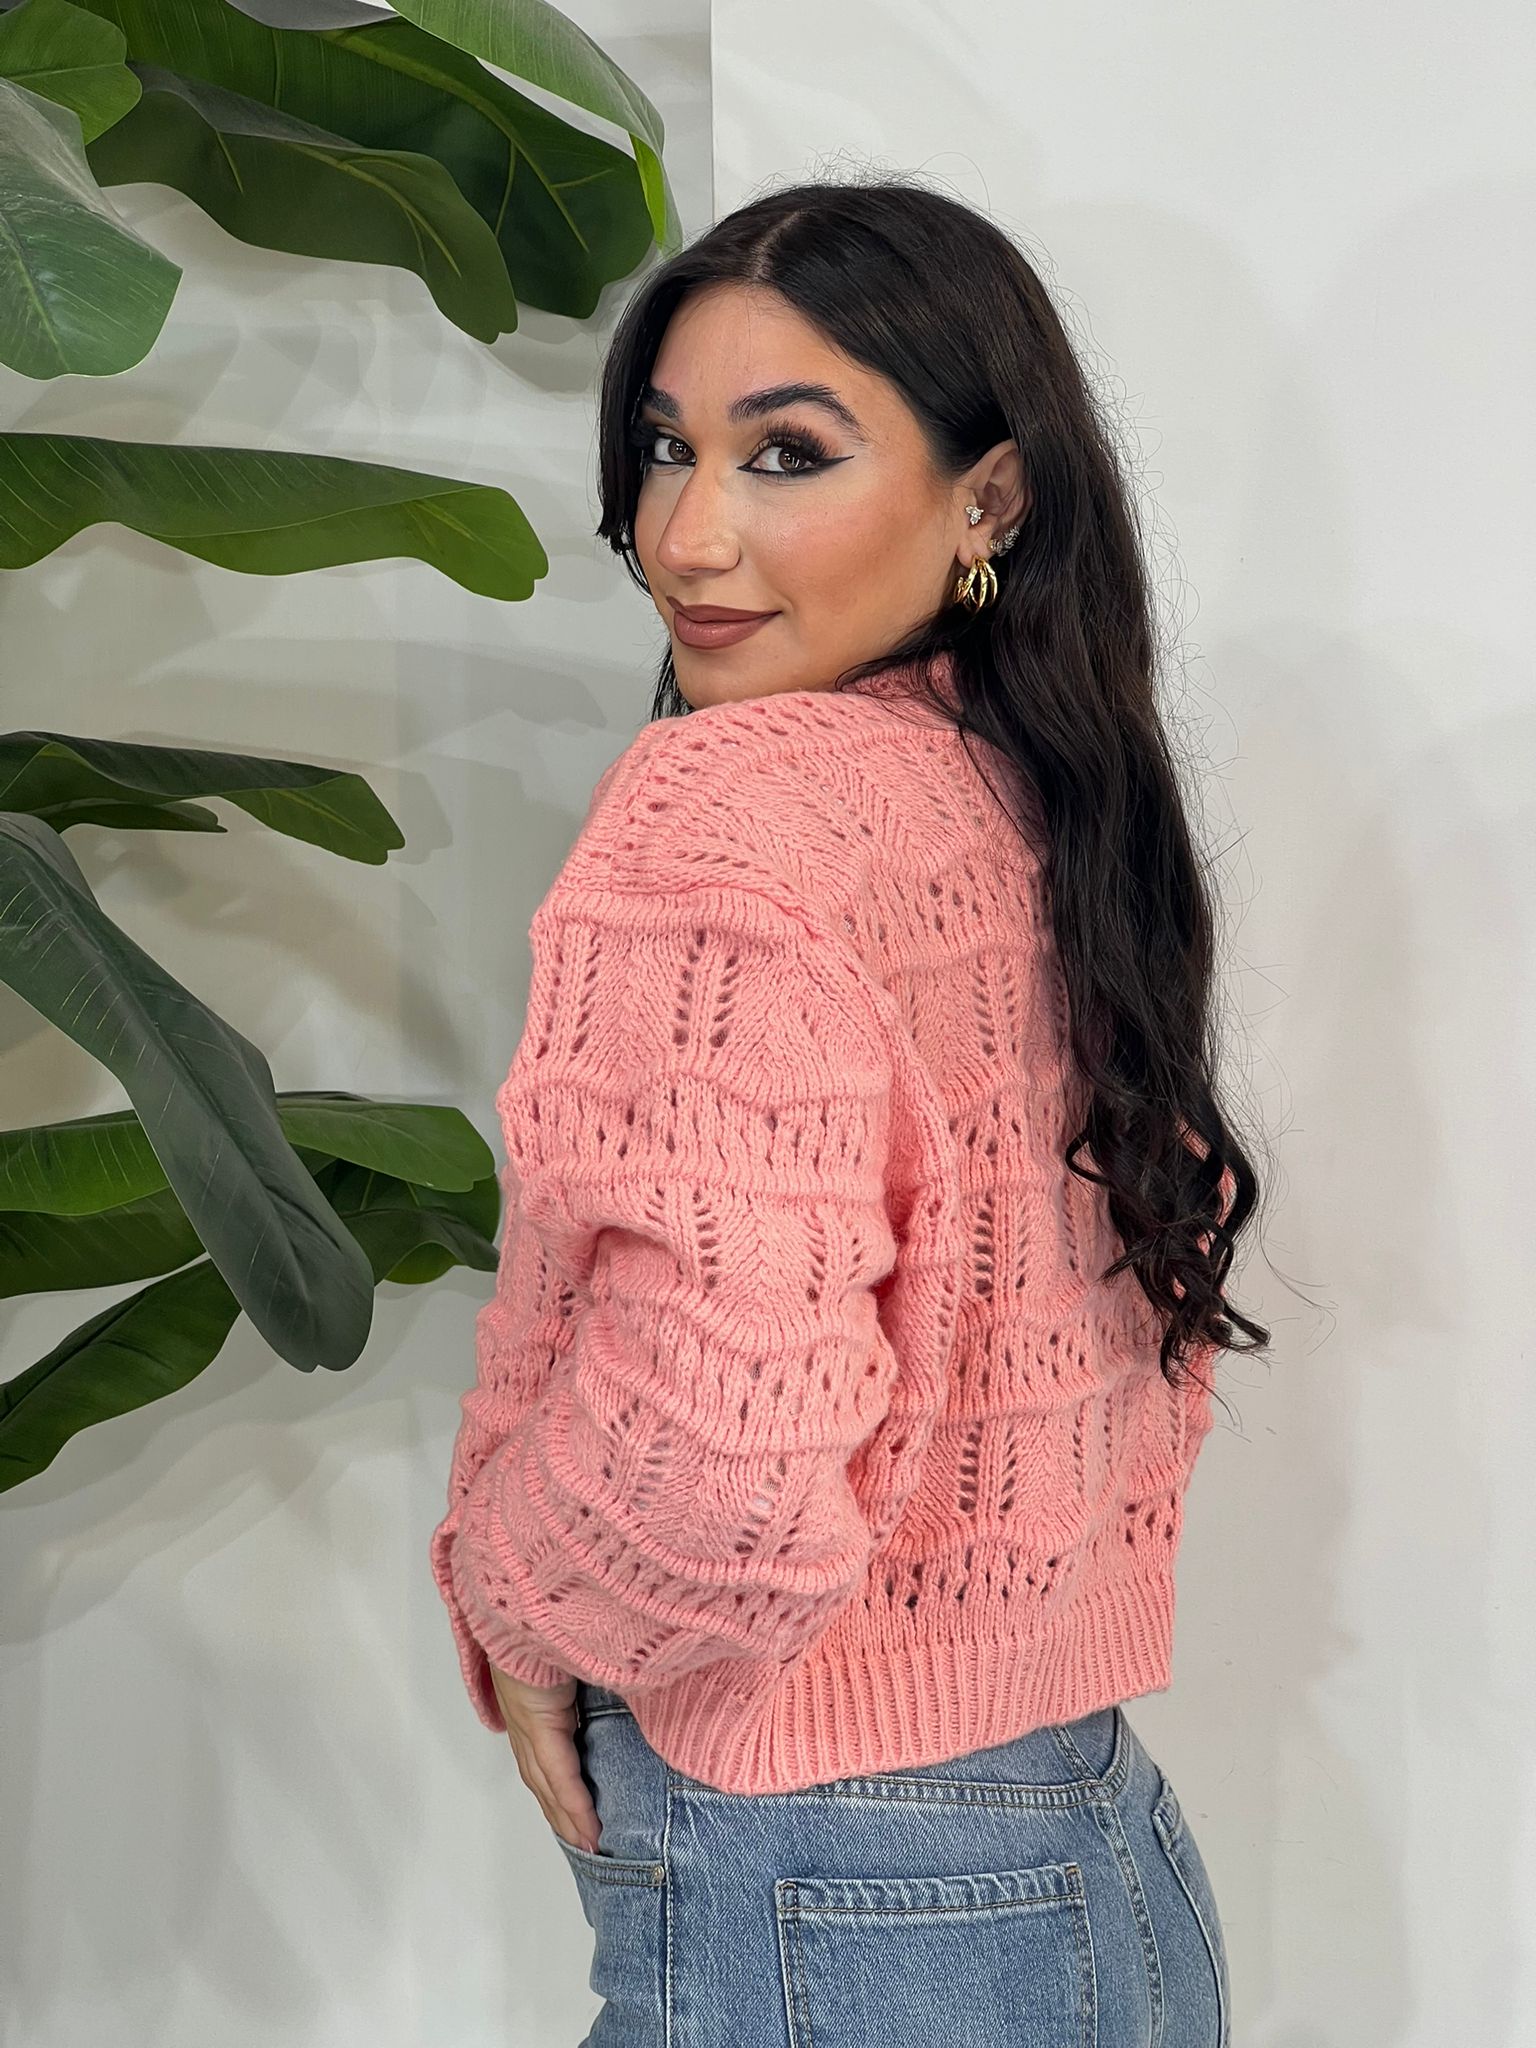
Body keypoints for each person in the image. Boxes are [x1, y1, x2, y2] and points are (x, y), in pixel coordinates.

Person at [430, 173, 1267, 2048]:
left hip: (827, 1891)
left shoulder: (726, 812)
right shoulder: (1048, 797)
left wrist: (515, 1600)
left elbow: (717, 1455)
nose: (690, 536)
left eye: (787, 455)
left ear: (991, 498)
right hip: (1101, 1854)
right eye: (666, 449)